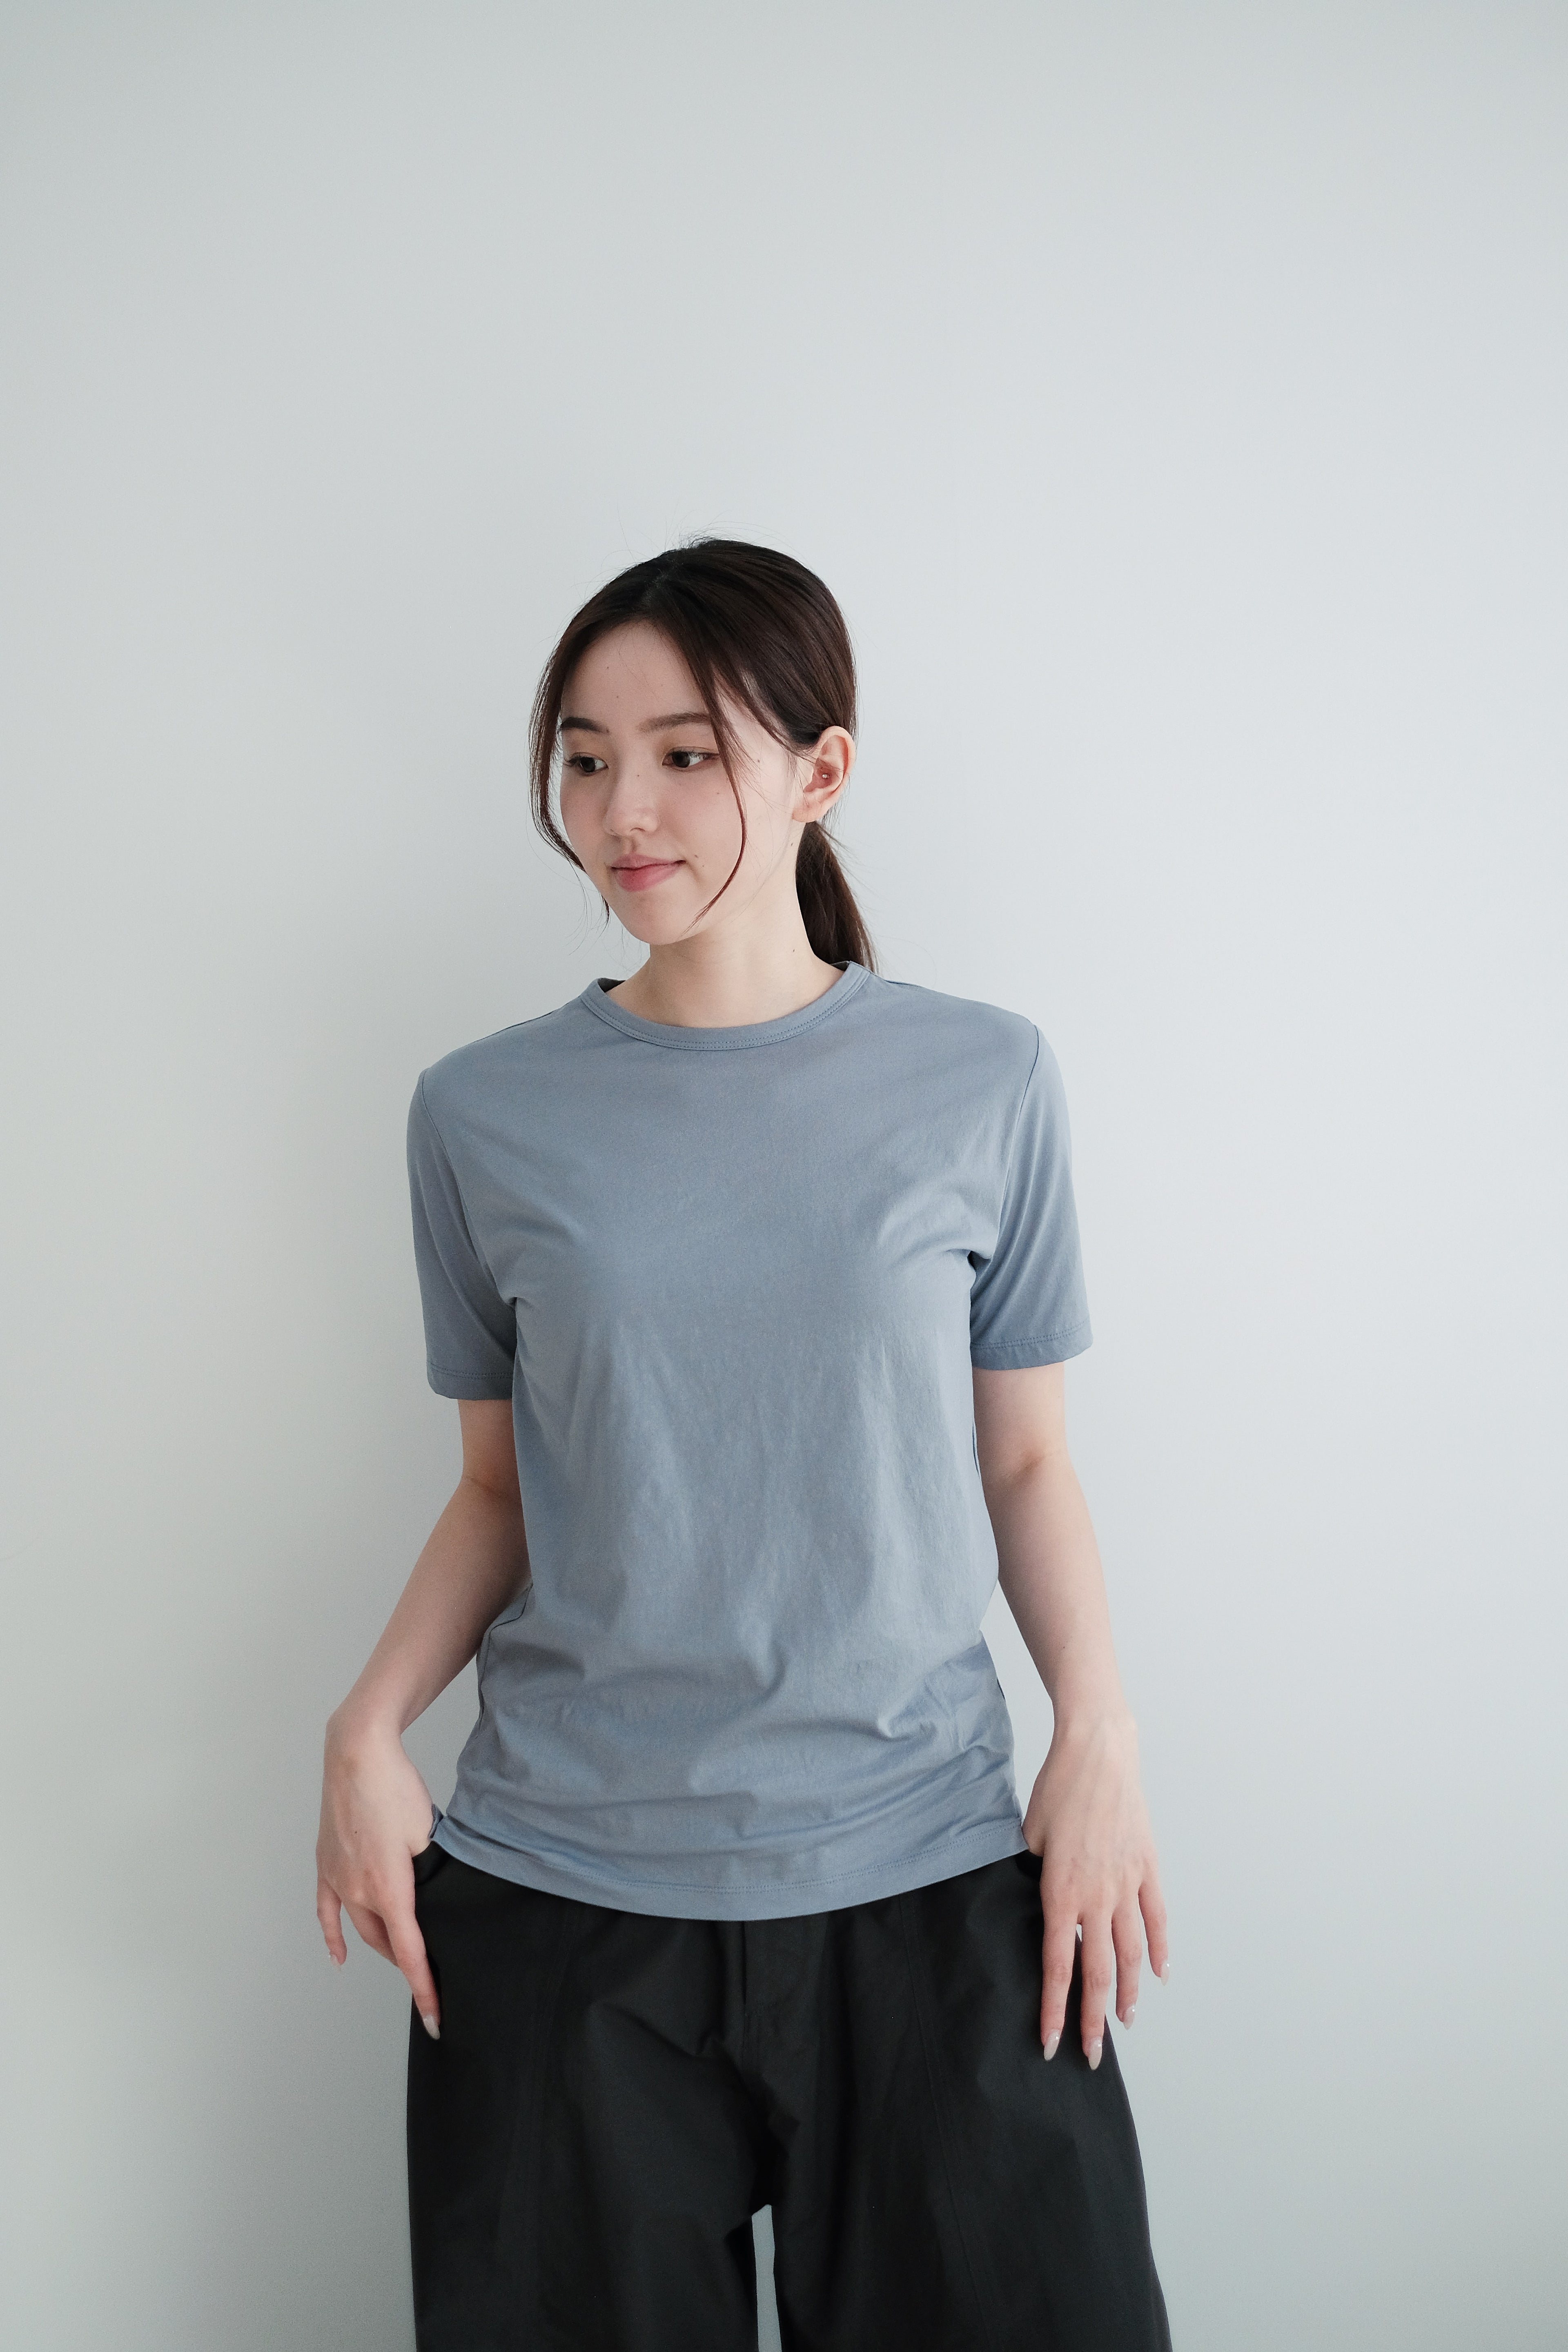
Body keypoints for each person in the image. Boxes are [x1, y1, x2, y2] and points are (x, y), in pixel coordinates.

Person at [315, 539, 1172, 2351]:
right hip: (564, 1909)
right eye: (583, 757)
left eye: (686, 752)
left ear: (820, 770)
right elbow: (500, 1488)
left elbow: (1026, 1462)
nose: (622, 810)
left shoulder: (984, 1078)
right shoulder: (478, 1112)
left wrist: (1097, 1736)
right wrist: (364, 1726)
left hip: (930, 1885)